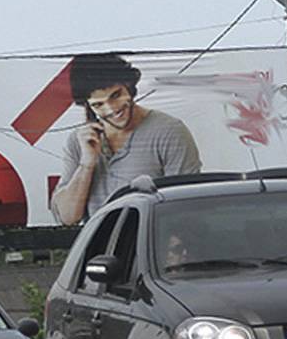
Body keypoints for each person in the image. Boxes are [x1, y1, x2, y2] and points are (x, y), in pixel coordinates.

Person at [49, 53, 200, 224]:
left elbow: (184, 208)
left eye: (116, 95)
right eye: (98, 104)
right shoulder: (80, 141)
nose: (112, 109)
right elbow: (67, 217)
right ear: (88, 106)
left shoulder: (169, 132)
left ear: (129, 86)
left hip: (149, 244)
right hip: (100, 247)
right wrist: (87, 164)